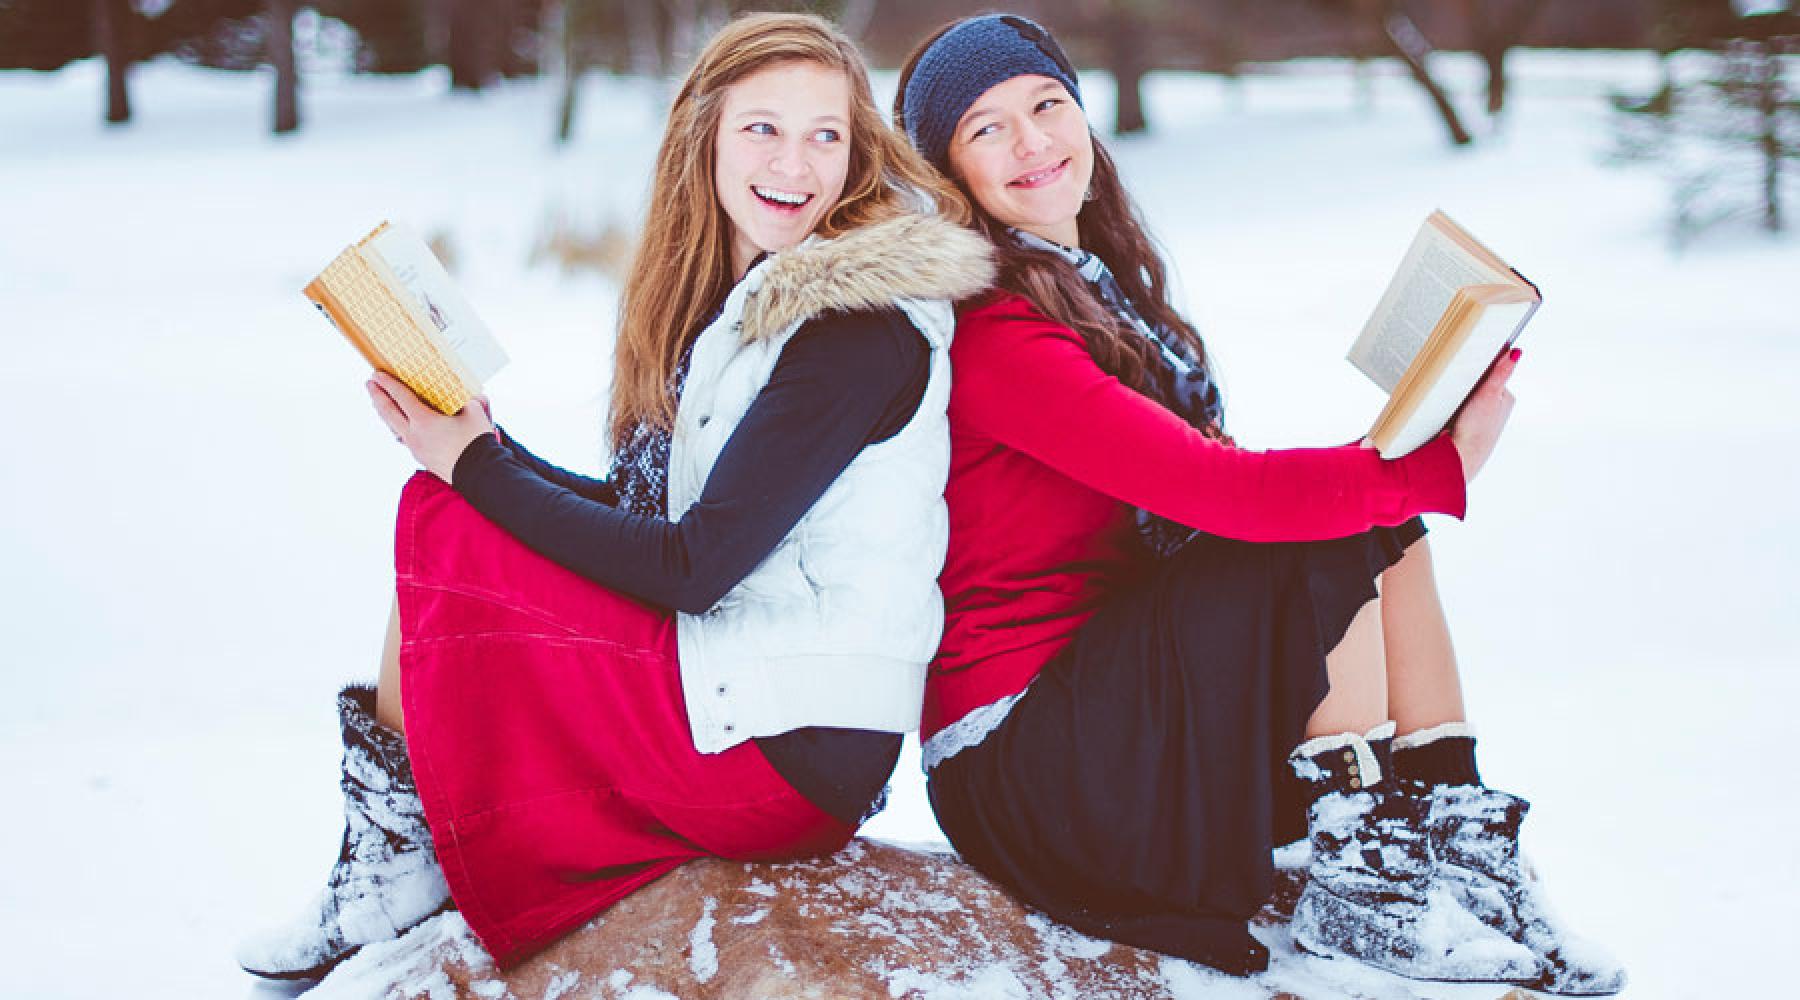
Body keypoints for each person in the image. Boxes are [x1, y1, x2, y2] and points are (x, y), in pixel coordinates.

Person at [237, 12, 991, 981]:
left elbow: (695, 565)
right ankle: (396, 849)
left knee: (447, 516)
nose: (795, 163)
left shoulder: (852, 327)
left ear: (855, 156)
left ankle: (394, 855)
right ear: (706, 138)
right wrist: (484, 448)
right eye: (762, 127)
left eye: (825, 135)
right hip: (760, 691)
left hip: (789, 745)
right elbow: (667, 531)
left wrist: (476, 466)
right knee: (456, 506)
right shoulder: (766, 304)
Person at [892, 14, 1622, 994]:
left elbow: (1209, 487)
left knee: (1366, 520)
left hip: (1112, 701)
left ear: (1081, 115)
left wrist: (1402, 457)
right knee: (1320, 526)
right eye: (986, 129)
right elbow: (1213, 492)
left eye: (1046, 104)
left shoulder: (1098, 290)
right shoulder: (993, 328)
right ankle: (1364, 881)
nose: (1031, 142)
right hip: (1026, 757)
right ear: (950, 172)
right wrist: (1433, 467)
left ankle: (1465, 856)